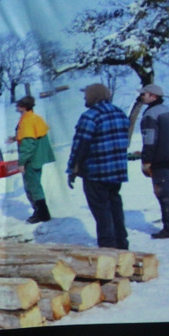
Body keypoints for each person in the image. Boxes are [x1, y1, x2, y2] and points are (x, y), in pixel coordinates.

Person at [66, 83, 130, 249]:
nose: (84, 98)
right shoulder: (120, 113)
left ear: (94, 96)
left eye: (86, 95)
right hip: (117, 172)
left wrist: (72, 169)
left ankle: (108, 247)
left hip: (96, 172)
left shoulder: (90, 117)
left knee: (101, 211)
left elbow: (80, 145)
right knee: (115, 206)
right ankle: (122, 243)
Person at [138, 83, 169, 239]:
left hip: (159, 160)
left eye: (144, 94)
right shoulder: (168, 111)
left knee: (163, 193)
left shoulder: (150, 115)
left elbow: (149, 140)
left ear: (153, 96)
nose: (141, 96)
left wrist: (146, 160)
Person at [7, 95, 55, 223]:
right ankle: (41, 213)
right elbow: (32, 136)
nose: (16, 107)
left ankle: (42, 214)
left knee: (33, 187)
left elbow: (28, 144)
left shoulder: (27, 121)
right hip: (37, 157)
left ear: (23, 107)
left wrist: (22, 162)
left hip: (31, 160)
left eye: (18, 105)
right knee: (35, 185)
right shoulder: (35, 118)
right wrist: (16, 138)